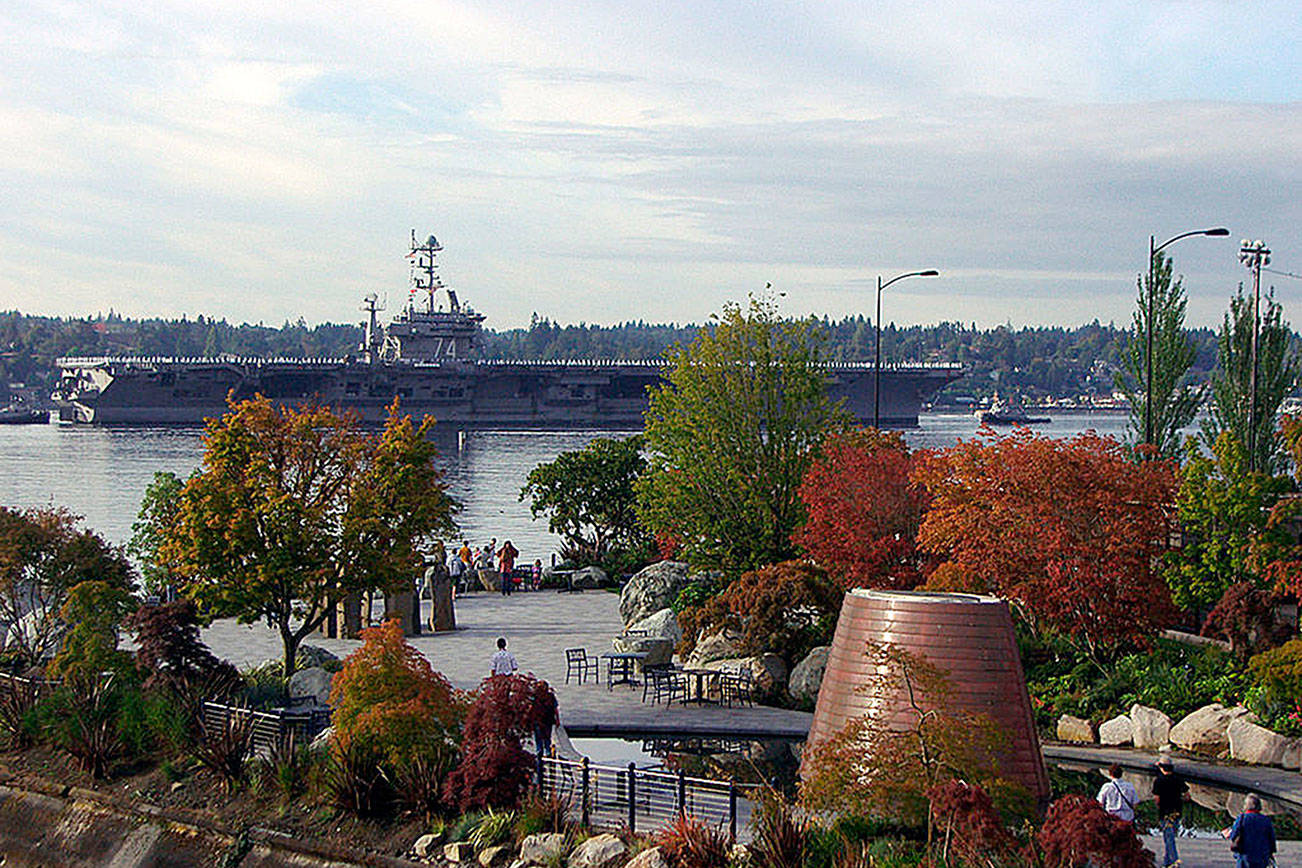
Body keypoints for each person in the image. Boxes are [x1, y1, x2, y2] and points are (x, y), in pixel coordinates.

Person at [1152, 757, 1189, 868]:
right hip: (1177, 811)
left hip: (1165, 812)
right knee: (1169, 836)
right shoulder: (1178, 779)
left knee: (1169, 838)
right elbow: (1187, 796)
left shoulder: (1159, 781)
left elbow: (1157, 798)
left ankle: (1174, 861)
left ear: (1161, 767)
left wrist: (1158, 806)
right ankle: (1167, 861)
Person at [1227, 793, 1276, 868]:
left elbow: (1234, 835)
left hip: (1245, 854)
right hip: (1262, 855)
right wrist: (1271, 852)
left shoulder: (1242, 818)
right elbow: (1271, 838)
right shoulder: (1266, 820)